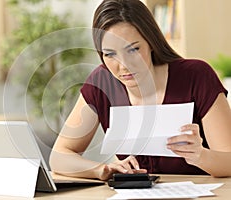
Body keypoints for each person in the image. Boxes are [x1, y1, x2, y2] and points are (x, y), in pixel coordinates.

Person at [49, 0, 231, 181]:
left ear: (151, 42)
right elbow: (59, 157)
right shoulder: (102, 83)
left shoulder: (196, 76)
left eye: (133, 50)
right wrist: (101, 169)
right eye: (110, 54)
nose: (124, 65)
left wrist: (201, 156)